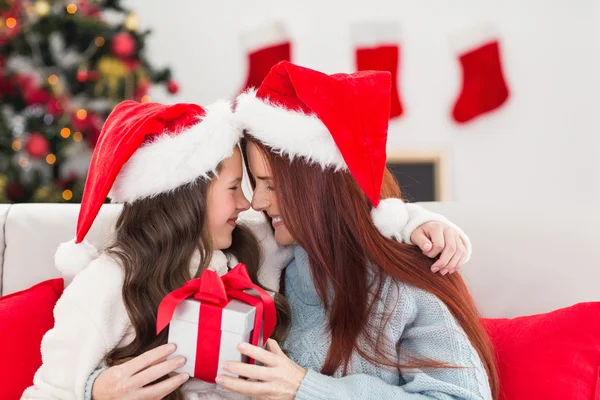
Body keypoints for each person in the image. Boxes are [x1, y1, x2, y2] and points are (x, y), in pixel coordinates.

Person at [214, 61, 498, 399]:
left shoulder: (405, 281)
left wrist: (306, 389)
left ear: (322, 191)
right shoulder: (264, 262)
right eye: (254, 183)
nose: (257, 202)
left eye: (272, 187)